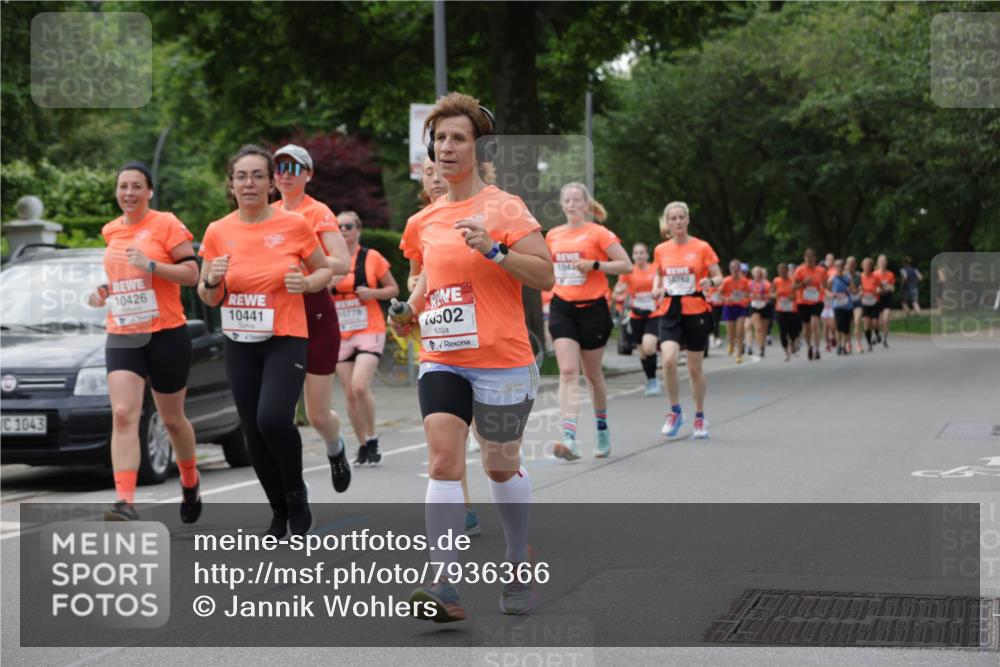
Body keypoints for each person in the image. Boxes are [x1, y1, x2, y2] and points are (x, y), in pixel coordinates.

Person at [394, 93, 554, 621]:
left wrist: (496, 250)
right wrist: (407, 313)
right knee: (442, 461)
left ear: (477, 148)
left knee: (499, 466)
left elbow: (545, 274)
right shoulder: (424, 222)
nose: (446, 146)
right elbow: (428, 284)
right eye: (439, 138)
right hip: (443, 356)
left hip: (502, 357)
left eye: (457, 137)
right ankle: (444, 582)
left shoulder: (505, 207)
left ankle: (514, 558)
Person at [198, 145, 333, 537]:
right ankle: (277, 508)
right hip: (239, 341)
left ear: (272, 183)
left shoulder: (293, 225)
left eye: (258, 175)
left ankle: (296, 493)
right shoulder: (218, 231)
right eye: (242, 176)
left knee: (272, 418)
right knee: (252, 430)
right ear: (231, 184)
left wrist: (306, 283)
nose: (250, 183)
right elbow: (209, 296)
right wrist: (212, 279)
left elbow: (324, 271)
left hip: (285, 337)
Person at [89, 163, 201, 522]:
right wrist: (103, 291)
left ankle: (189, 478)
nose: (129, 193)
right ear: (117, 192)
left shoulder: (166, 224)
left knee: (172, 420)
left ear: (149, 191)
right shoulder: (110, 231)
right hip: (123, 333)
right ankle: (125, 501)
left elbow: (191, 273)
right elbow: (123, 280)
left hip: (166, 333)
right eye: (123, 186)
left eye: (137, 186)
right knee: (123, 414)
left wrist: (152, 264)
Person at [403, 157, 481, 536]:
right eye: (428, 173)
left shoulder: (481, 208)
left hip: (485, 337)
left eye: (439, 171)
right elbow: (415, 275)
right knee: (448, 434)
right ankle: (463, 505)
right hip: (441, 337)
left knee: (486, 436)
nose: (435, 178)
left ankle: (508, 494)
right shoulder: (420, 223)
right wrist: (411, 300)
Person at [272, 144, 353, 494]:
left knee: (318, 415)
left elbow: (342, 262)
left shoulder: (317, 212)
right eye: (279, 167)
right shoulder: (265, 212)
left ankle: (335, 449)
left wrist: (307, 261)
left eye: (294, 167)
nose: (285, 173)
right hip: (277, 317)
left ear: (308, 174)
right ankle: (292, 484)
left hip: (316, 313)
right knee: (277, 413)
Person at [546, 182, 631, 461]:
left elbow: (626, 265)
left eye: (576, 200)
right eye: (566, 200)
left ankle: (602, 430)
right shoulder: (554, 236)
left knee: (592, 375)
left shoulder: (598, 233)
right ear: (562, 204)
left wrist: (595, 265)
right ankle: (569, 437)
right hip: (562, 308)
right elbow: (544, 268)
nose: (571, 204)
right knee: (568, 371)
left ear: (586, 204)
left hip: (593, 309)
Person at [330, 211, 398, 464]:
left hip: (369, 328)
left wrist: (372, 292)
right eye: (339, 227)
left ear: (358, 230)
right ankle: (362, 445)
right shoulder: (327, 260)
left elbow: (393, 289)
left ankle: (372, 437)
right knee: (349, 393)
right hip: (340, 332)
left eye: (349, 226)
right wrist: (327, 282)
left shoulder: (372, 258)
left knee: (360, 386)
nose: (344, 230)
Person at [652, 202, 723, 440]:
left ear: (688, 220)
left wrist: (710, 283)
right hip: (670, 309)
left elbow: (718, 277)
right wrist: (656, 289)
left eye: (682, 217)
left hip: (695, 309)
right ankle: (675, 411)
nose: (678, 222)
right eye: (673, 218)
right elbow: (658, 276)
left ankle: (700, 416)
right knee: (669, 360)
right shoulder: (661, 249)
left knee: (694, 369)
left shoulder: (701, 247)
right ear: (667, 222)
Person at [613, 242, 661, 395]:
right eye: (636, 253)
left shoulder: (655, 269)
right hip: (636, 315)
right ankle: (650, 380)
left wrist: (659, 291)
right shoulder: (628, 271)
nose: (639, 256)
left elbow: (663, 286)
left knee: (649, 347)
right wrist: (619, 290)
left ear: (647, 255)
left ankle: (654, 380)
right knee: (642, 352)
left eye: (642, 253)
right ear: (632, 256)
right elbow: (616, 293)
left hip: (654, 314)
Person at [793, 248, 827, 360]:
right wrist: (803, 283)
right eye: (807, 258)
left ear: (815, 258)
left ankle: (817, 348)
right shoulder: (799, 270)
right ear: (804, 258)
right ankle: (809, 346)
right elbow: (793, 287)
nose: (810, 260)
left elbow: (825, 285)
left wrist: (825, 287)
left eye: (811, 257)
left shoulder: (821, 271)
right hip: (803, 301)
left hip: (817, 300)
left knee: (815, 324)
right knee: (806, 327)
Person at [720, 260, 750, 364]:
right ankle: (731, 344)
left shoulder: (745, 281)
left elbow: (748, 293)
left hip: (741, 307)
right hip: (729, 308)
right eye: (733, 269)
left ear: (740, 270)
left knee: (740, 331)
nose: (736, 271)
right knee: (731, 334)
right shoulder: (726, 281)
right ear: (730, 269)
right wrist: (726, 299)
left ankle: (738, 355)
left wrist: (745, 297)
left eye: (737, 269)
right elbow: (720, 293)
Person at [771, 262, 800, 361]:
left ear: (787, 271)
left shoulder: (793, 280)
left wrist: (793, 296)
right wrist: (775, 295)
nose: (782, 274)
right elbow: (771, 292)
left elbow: (799, 292)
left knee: (793, 331)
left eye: (784, 272)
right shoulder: (776, 281)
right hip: (780, 309)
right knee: (783, 331)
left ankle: (793, 343)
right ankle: (786, 353)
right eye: (780, 272)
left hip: (792, 309)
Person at [829, 259, 854, 354]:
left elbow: (854, 290)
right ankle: (839, 345)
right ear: (835, 267)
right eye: (837, 266)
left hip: (847, 305)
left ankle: (844, 346)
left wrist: (854, 290)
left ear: (844, 267)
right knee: (839, 326)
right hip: (837, 306)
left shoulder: (848, 278)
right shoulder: (832, 279)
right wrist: (831, 295)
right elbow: (826, 290)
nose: (839, 267)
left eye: (841, 266)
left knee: (846, 328)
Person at [747, 266, 772, 358]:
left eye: (758, 273)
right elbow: (745, 294)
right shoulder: (749, 284)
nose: (757, 274)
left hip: (765, 306)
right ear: (753, 274)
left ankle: (763, 345)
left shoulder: (766, 284)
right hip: (754, 307)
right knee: (758, 328)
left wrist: (762, 297)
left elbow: (771, 295)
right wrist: (750, 296)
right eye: (755, 273)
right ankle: (760, 348)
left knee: (764, 330)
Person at [859, 257, 881, 351]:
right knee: (867, 323)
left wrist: (878, 290)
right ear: (862, 266)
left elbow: (880, 288)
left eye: (869, 265)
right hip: (864, 302)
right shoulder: (859, 276)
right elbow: (857, 288)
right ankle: (869, 344)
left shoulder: (875, 276)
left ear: (872, 266)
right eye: (865, 265)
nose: (867, 267)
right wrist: (859, 292)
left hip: (874, 301)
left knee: (875, 322)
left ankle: (877, 334)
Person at [844, 256, 864, 355]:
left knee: (857, 321)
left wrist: (860, 292)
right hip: (846, 303)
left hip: (857, 302)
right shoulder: (843, 276)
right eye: (849, 263)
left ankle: (859, 343)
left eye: (853, 264)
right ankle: (848, 344)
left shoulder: (858, 275)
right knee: (848, 325)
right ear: (846, 265)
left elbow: (861, 286)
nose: (851, 266)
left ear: (855, 265)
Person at [874, 254, 895, 347]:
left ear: (886, 263)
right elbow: (872, 287)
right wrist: (878, 290)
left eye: (884, 261)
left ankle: (885, 340)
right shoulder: (875, 274)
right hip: (878, 298)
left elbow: (892, 287)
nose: (882, 263)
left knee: (886, 319)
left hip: (887, 298)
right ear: (877, 263)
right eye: (880, 261)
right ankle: (877, 334)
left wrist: (888, 287)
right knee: (878, 321)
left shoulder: (890, 274)